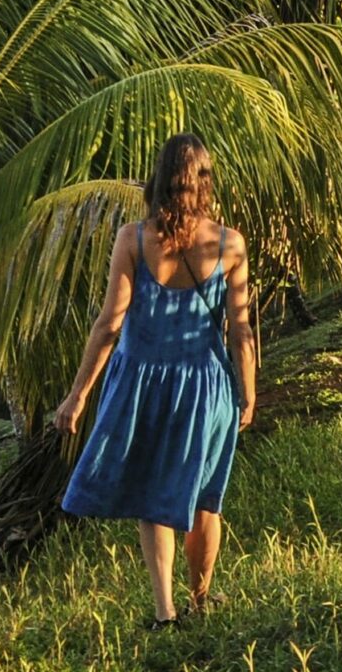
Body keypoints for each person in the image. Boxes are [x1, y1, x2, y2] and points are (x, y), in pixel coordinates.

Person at [55, 134, 256, 625]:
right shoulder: (229, 244)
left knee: (154, 496)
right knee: (205, 495)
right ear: (205, 182)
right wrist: (247, 394)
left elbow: (109, 323)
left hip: (143, 382)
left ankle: (165, 612)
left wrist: (76, 396)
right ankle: (201, 597)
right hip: (207, 387)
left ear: (157, 179)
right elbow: (242, 329)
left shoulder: (132, 238)